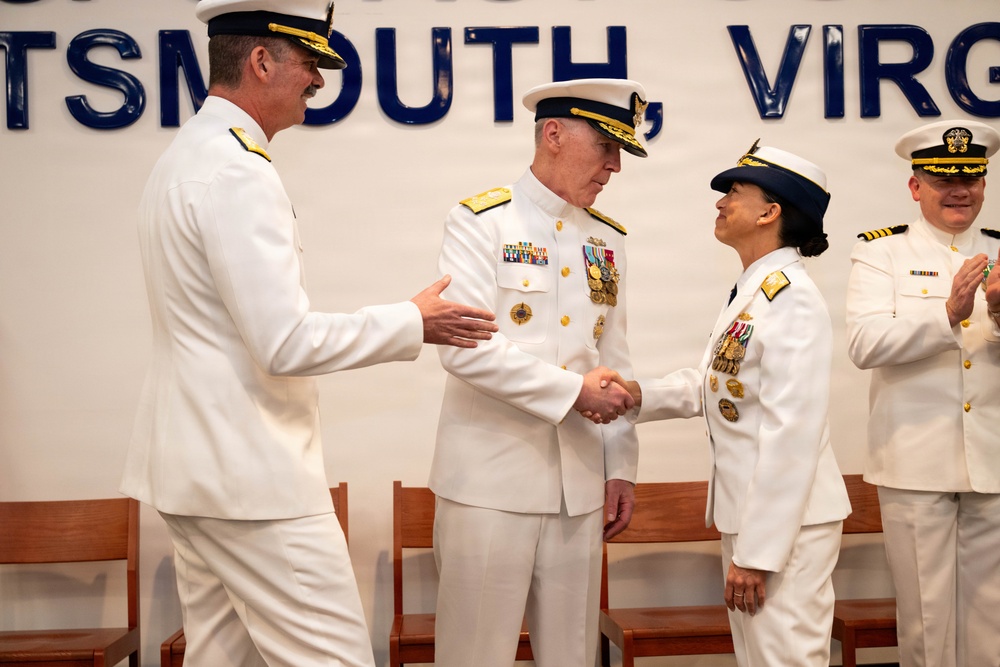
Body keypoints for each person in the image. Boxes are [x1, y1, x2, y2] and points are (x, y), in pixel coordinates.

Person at [119, 1, 498, 665]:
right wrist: (414, 319)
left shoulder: (185, 156)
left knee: (221, 655)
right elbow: (283, 342)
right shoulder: (239, 170)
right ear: (261, 61)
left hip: (192, 471)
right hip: (251, 481)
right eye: (308, 63)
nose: (318, 80)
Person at [428, 78, 647, 667]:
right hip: (488, 487)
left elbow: (615, 362)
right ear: (554, 133)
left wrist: (620, 465)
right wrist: (573, 391)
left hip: (579, 490)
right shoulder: (481, 222)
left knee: (573, 657)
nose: (615, 166)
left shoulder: (608, 239)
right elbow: (463, 348)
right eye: (606, 146)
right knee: (474, 656)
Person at [607, 143, 851, 666]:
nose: (720, 203)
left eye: (734, 193)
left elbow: (792, 433)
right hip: (755, 516)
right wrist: (638, 394)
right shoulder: (755, 290)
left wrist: (759, 554)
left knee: (785, 659)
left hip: (785, 527)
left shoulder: (792, 297)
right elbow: (719, 385)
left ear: (771, 212)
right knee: (760, 657)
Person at [845, 120, 1000, 667]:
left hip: (993, 463)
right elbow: (864, 344)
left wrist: (999, 317)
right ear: (916, 186)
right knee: (926, 623)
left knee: (993, 624)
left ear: (984, 183)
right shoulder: (880, 254)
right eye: (942, 179)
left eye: (971, 177)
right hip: (915, 461)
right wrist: (948, 313)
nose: (958, 190)